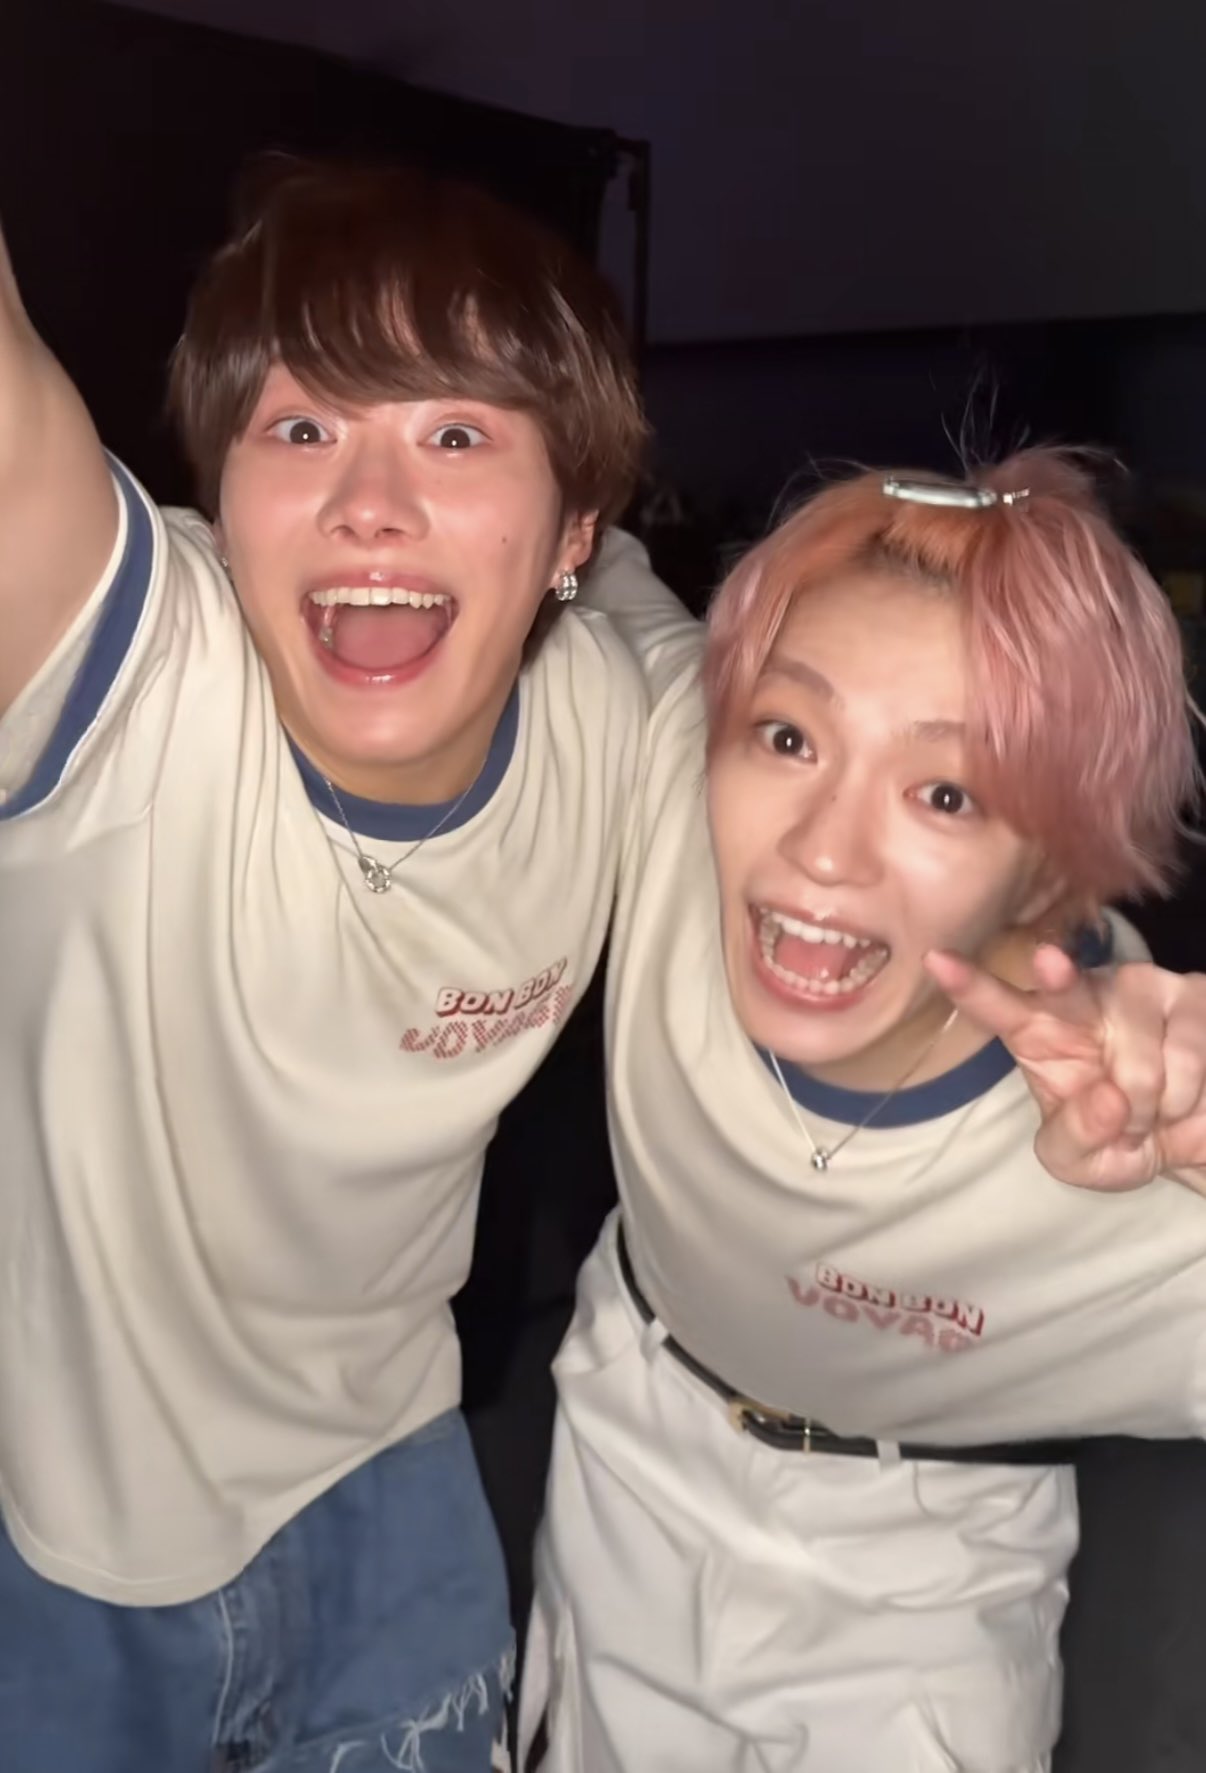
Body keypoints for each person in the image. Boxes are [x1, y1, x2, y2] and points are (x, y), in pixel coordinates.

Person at [0, 156, 675, 1773]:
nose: (371, 500)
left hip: (393, 1475)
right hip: (70, 1539)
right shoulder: (125, 674)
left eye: (455, 434)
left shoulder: (620, 720)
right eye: (301, 431)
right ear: (219, 507)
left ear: (572, 530)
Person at [523, 451, 1206, 1772]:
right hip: (629, 1455)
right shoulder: (667, 767)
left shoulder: (1141, 1158)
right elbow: (563, 553)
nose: (821, 850)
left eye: (945, 793)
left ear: (1051, 864)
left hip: (921, 1576)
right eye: (788, 737)